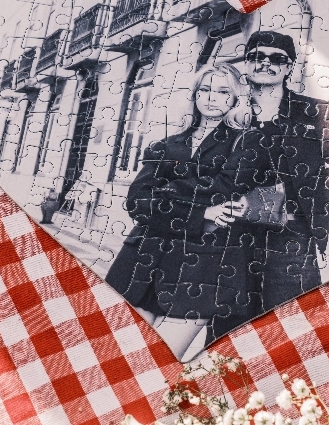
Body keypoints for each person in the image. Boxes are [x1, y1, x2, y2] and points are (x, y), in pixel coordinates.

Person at [209, 30, 329, 339]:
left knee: (290, 334)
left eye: (277, 59)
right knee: (228, 334)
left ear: (289, 67)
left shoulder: (318, 113)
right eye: (257, 57)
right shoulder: (225, 113)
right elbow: (198, 171)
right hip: (229, 239)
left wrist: (313, 225)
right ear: (246, 63)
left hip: (292, 242)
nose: (266, 63)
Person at [105, 63, 254, 361]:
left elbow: (222, 190)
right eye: (205, 89)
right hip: (142, 263)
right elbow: (137, 202)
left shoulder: (244, 144)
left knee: (160, 360)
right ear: (195, 94)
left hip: (200, 269)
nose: (211, 97)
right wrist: (202, 214)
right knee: (118, 356)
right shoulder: (164, 146)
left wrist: (166, 192)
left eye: (223, 91)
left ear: (236, 98)